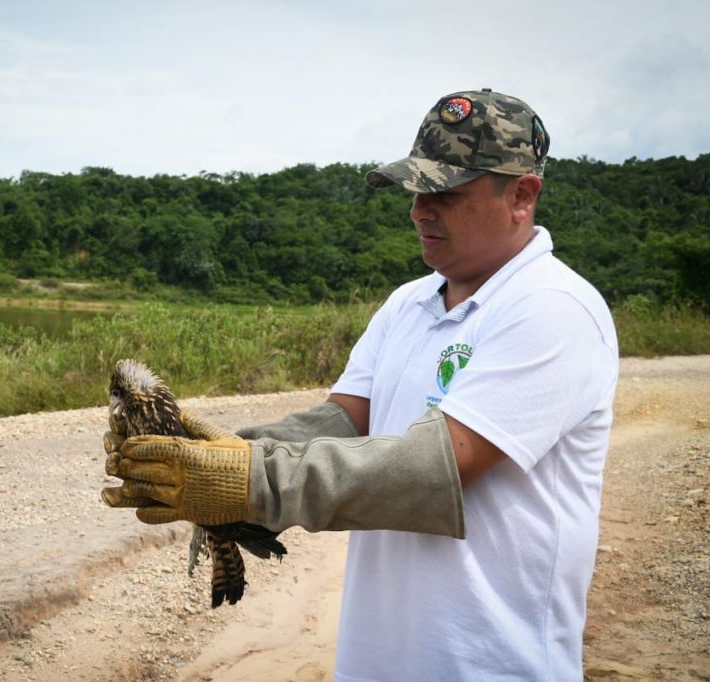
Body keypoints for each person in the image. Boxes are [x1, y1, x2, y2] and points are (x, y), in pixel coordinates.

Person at [102, 88, 619, 681]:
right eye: (416, 190)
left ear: (521, 196)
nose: (420, 209)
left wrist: (253, 481)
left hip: (488, 662)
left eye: (445, 193)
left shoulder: (552, 308)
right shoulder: (409, 302)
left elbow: (435, 468)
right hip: (375, 659)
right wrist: (231, 449)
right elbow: (347, 418)